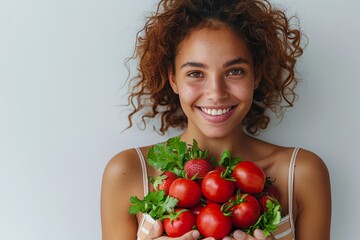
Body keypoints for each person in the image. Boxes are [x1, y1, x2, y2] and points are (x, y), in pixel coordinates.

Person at [100, 0, 331, 239]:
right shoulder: (127, 172)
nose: (216, 93)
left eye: (234, 71)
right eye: (195, 73)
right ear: (173, 78)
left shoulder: (302, 173)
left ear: (256, 75)